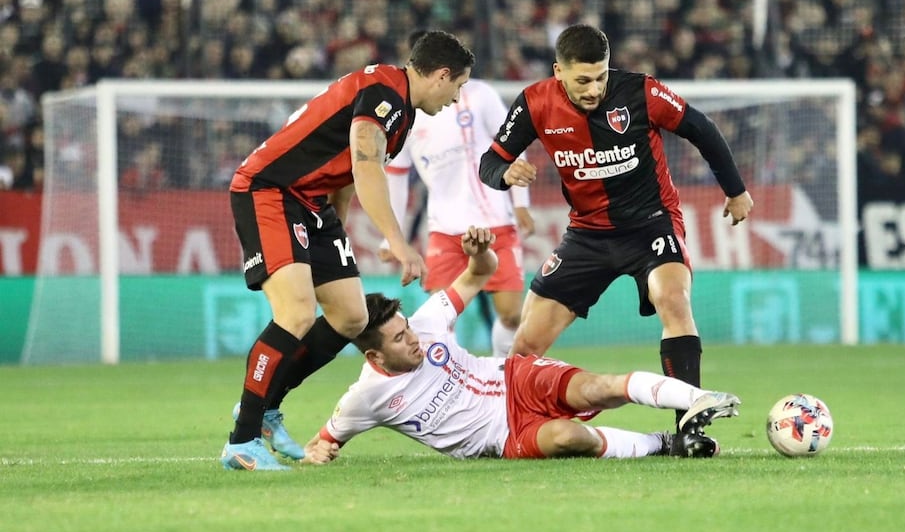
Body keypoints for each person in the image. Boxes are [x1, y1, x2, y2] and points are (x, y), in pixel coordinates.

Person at [222, 30, 475, 471]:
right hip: (271, 190)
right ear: (441, 75)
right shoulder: (385, 95)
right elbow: (364, 163)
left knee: (351, 316)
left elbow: (340, 171)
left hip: (311, 203)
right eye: (458, 86)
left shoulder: (401, 108)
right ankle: (242, 441)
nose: (456, 99)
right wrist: (398, 242)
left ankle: (265, 411)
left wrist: (332, 230)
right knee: (296, 314)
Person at [478, 24, 754, 428]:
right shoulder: (535, 102)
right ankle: (508, 426)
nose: (594, 89)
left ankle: (687, 427)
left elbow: (701, 128)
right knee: (525, 344)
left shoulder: (641, 92)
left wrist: (735, 190)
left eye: (601, 77)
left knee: (674, 302)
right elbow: (489, 161)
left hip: (652, 226)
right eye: (583, 80)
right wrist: (505, 173)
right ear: (559, 72)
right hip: (587, 235)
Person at [302, 226, 741, 464]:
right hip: (504, 437)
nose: (413, 339)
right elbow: (325, 441)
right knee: (569, 438)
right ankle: (665, 445)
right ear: (374, 356)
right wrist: (317, 452)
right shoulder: (365, 398)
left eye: (407, 328)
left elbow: (479, 274)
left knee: (597, 388)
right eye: (400, 338)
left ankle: (700, 399)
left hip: (515, 379)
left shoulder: (428, 321)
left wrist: (479, 255)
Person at [380, 38, 535, 357]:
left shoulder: (478, 94)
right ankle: (445, 388)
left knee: (511, 313)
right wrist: (388, 238)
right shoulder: (403, 115)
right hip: (445, 228)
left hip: (496, 221)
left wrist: (521, 203)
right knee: (440, 319)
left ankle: (502, 379)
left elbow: (513, 143)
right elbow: (396, 179)